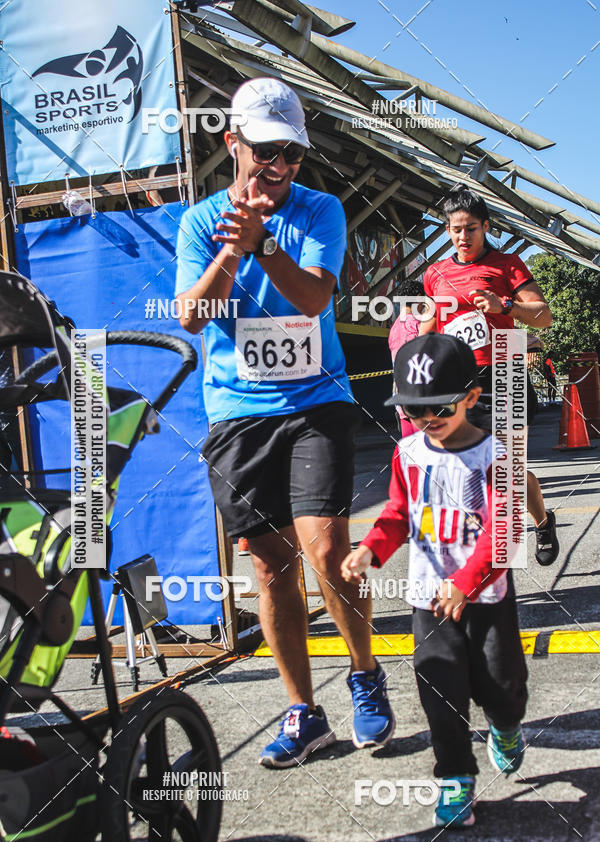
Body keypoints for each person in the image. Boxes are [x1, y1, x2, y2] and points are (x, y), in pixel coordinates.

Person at [175, 78, 394, 767]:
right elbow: (189, 316)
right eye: (267, 150)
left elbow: (313, 300)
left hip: (314, 403)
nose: (280, 166)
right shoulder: (199, 220)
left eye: (292, 154)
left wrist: (267, 244)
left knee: (328, 551)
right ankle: (304, 711)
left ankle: (364, 674)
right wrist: (231, 249)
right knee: (271, 571)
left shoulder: (320, 209)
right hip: (237, 412)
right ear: (231, 142)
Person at [341, 333, 528, 828]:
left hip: (485, 597)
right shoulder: (408, 452)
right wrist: (369, 549)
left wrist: (466, 580)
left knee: (503, 686)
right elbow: (399, 513)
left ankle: (506, 726)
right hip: (428, 599)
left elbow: (504, 530)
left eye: (440, 407)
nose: (429, 420)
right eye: (415, 409)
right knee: (439, 691)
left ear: (470, 396)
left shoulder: (497, 455)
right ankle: (454, 778)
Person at [419, 186, 559, 566]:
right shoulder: (436, 274)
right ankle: (488, 557)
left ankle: (542, 523)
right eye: (455, 229)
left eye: (471, 229)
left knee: (509, 470)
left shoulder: (508, 264)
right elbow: (430, 326)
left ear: (486, 226)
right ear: (447, 230)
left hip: (506, 367)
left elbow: (543, 316)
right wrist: (416, 368)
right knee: (466, 468)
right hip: (458, 379)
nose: (463, 237)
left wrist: (506, 305)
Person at [388, 279, 427, 437]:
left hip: (400, 397)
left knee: (410, 454)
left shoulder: (394, 327)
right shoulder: (418, 324)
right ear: (419, 298)